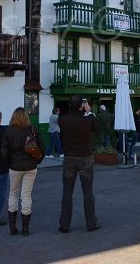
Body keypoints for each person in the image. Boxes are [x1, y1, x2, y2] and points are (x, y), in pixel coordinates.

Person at [58, 95, 101, 233]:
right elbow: (96, 127)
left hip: (69, 157)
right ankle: (91, 223)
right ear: (81, 106)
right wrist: (89, 111)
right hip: (85, 157)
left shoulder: (62, 120)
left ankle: (64, 225)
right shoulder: (87, 120)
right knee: (88, 192)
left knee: (67, 192)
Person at [1, 107, 45, 236]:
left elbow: (4, 151)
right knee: (26, 195)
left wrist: (8, 163)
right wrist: (38, 161)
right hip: (30, 167)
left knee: (13, 194)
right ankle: (26, 228)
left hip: (14, 167)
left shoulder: (9, 131)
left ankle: (12, 227)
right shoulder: (32, 130)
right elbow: (42, 147)